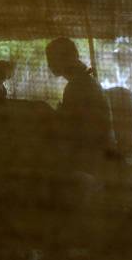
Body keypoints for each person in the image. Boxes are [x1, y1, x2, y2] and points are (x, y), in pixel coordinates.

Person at [45, 38, 115, 171]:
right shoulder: (84, 81)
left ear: (67, 58)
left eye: (51, 59)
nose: (49, 65)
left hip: (94, 162)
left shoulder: (77, 86)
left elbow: (76, 132)